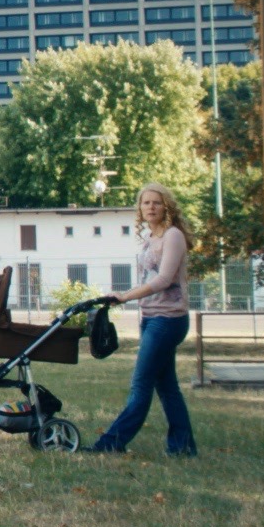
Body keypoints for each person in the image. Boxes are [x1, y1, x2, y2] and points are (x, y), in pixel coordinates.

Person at [84, 183, 197, 457]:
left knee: (141, 384)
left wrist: (125, 296)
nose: (150, 208)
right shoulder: (150, 238)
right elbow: (147, 278)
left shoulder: (173, 236)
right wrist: (125, 296)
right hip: (150, 317)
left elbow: (164, 279)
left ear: (166, 205)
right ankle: (182, 448)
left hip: (169, 320)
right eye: (145, 203)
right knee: (167, 386)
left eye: (156, 202)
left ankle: (112, 442)